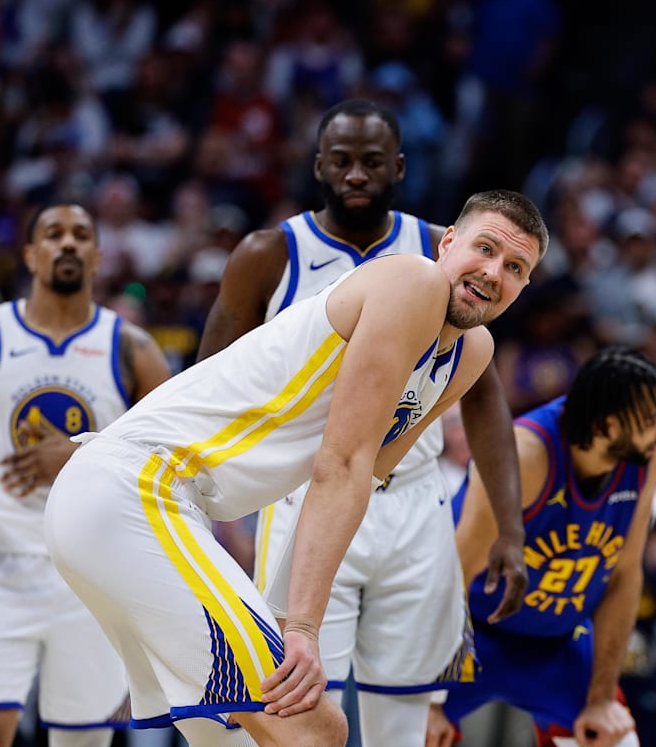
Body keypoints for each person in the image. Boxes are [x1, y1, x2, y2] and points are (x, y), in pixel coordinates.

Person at [44, 190, 548, 747]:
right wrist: (303, 629)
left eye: (515, 268)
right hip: (137, 489)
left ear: (525, 288)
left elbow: (362, 479)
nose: (493, 272)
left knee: (234, 738)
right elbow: (341, 465)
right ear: (447, 241)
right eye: (485, 248)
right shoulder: (413, 281)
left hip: (144, 509)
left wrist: (287, 617)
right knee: (313, 727)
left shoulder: (471, 351)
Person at [195, 98, 530, 745]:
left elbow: (485, 399)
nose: (355, 174)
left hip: (412, 497)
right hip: (305, 490)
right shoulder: (270, 253)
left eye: (372, 162)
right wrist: (208, 512)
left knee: (403, 716)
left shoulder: (448, 250)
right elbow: (208, 382)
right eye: (341, 160)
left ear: (398, 168)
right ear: (318, 164)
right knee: (290, 699)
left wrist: (507, 527)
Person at [0, 203, 171, 747]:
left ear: (98, 256)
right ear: (30, 254)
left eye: (81, 235)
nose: (68, 243)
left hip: (90, 573)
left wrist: (81, 453)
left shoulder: (134, 350)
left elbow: (169, 465)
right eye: (54, 234)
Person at [428, 347, 656, 747]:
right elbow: (451, 574)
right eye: (654, 420)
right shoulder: (525, 453)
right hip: (471, 635)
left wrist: (600, 699)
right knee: (406, 729)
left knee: (614, 737)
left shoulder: (647, 453)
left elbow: (625, 574)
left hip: (558, 641)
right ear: (608, 427)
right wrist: (429, 697)